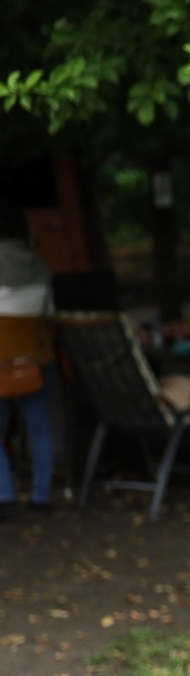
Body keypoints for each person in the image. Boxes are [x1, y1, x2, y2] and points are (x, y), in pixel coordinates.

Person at [0, 200, 55, 518]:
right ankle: (40, 498)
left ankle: (4, 495)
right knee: (40, 429)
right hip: (36, 363)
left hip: (2, 364)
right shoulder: (40, 264)